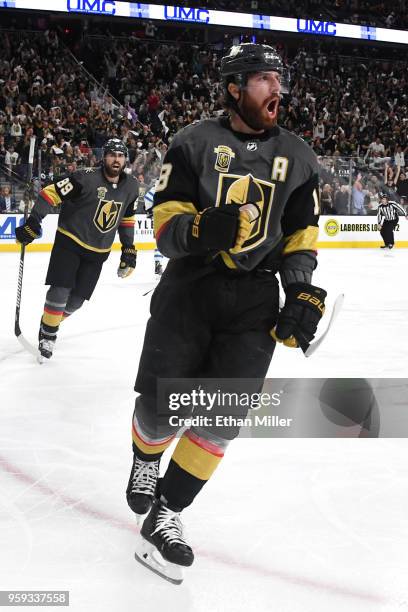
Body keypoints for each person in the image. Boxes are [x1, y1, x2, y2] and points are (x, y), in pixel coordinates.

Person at [126, 43, 328, 584]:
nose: (276, 90)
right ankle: (146, 457)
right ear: (235, 87)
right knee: (163, 407)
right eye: (263, 79)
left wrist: (301, 289)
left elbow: (302, 235)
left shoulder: (300, 155)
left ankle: (166, 515)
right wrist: (197, 231)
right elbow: (165, 225)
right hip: (191, 286)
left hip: (256, 298)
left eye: (278, 79)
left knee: (222, 417)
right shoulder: (192, 143)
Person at [15, 139, 139, 359]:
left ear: (125, 159)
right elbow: (49, 194)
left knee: (76, 302)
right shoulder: (85, 177)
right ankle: (48, 336)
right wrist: (34, 221)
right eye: (112, 155)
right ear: (104, 157)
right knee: (60, 290)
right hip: (69, 241)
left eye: (120, 156)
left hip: (98, 251)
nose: (116, 160)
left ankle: (48, 322)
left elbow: (127, 217)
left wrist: (128, 248)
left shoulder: (131, 186)